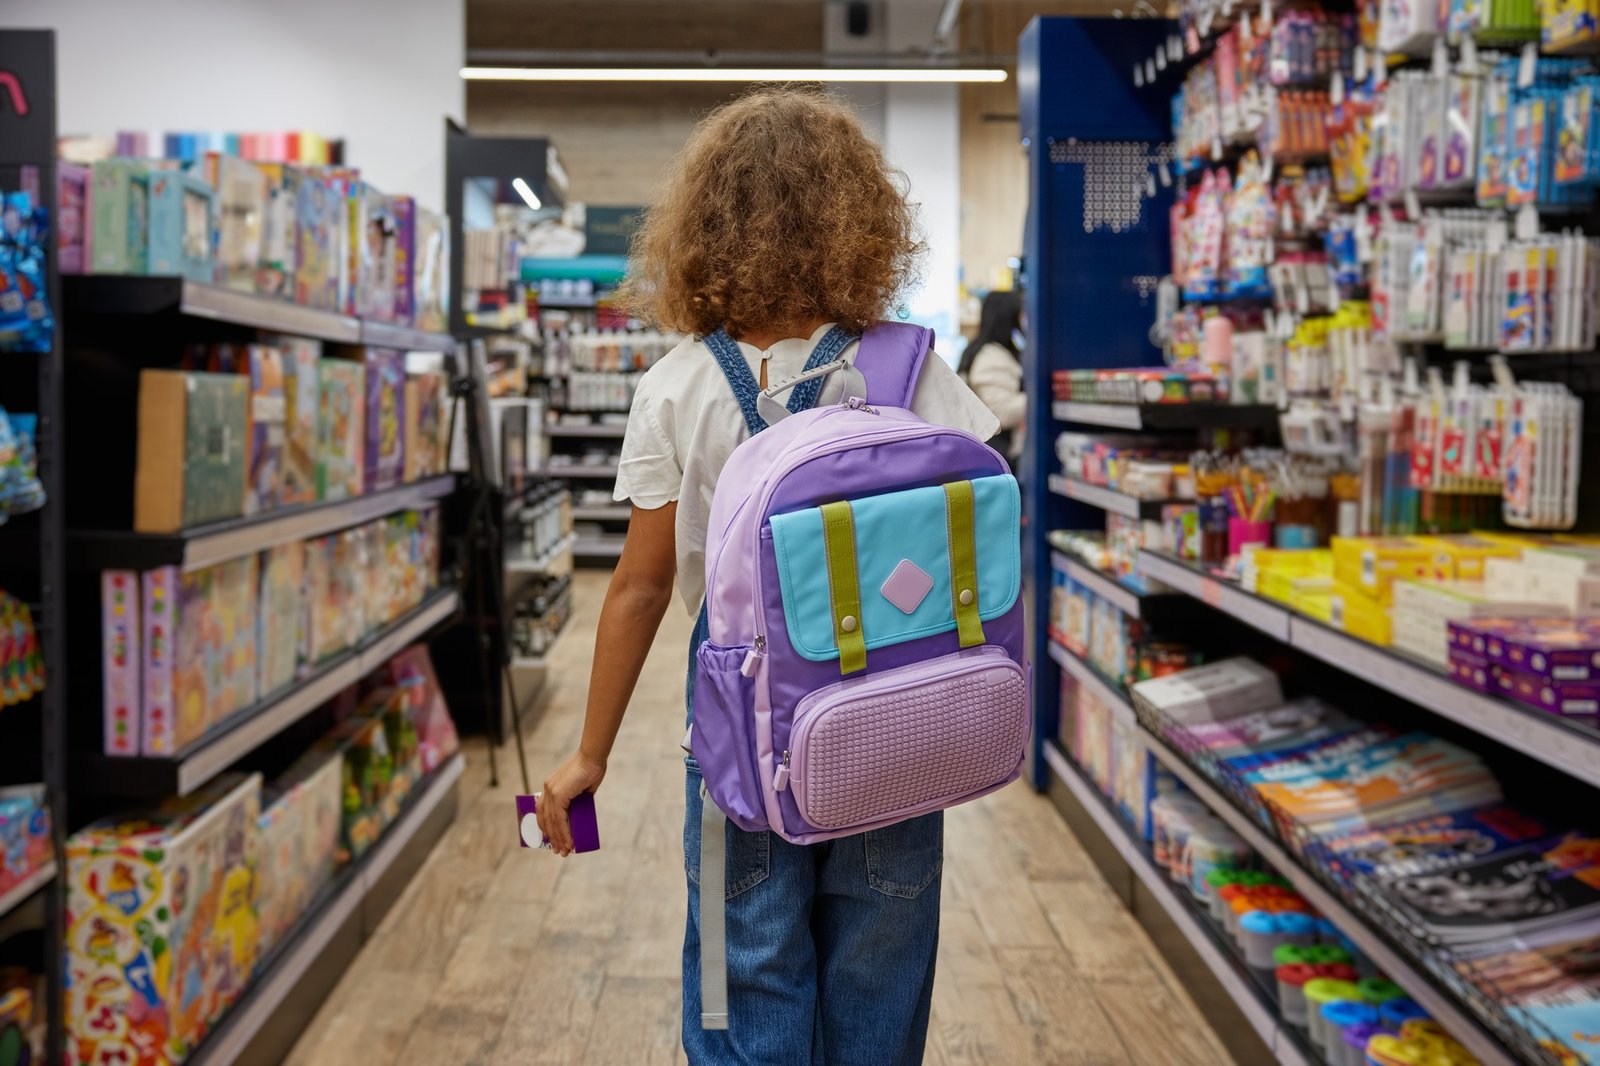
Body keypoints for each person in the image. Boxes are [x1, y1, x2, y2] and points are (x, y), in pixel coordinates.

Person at [534, 88, 999, 1064]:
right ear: (860, 222)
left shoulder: (678, 386)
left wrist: (589, 754)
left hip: (739, 739)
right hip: (895, 725)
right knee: (880, 967)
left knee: (744, 967)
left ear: (704, 227)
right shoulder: (913, 371)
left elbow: (641, 588)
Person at [958, 289, 1027, 469]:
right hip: (996, 458)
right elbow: (1001, 413)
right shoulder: (991, 357)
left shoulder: (979, 350)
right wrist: (1042, 395)